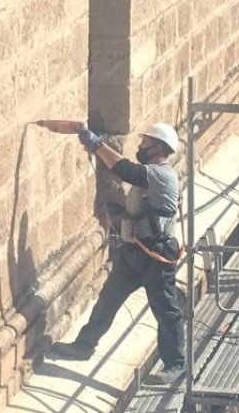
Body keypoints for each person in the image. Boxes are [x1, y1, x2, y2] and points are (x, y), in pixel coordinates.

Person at [48, 123, 185, 386]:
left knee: (165, 309)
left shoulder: (160, 174)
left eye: (144, 143)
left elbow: (125, 170)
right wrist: (118, 214)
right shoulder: (151, 176)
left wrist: (96, 145)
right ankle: (84, 346)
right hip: (136, 250)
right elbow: (143, 213)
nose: (140, 147)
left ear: (157, 148)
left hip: (156, 253)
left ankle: (176, 363)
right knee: (109, 298)